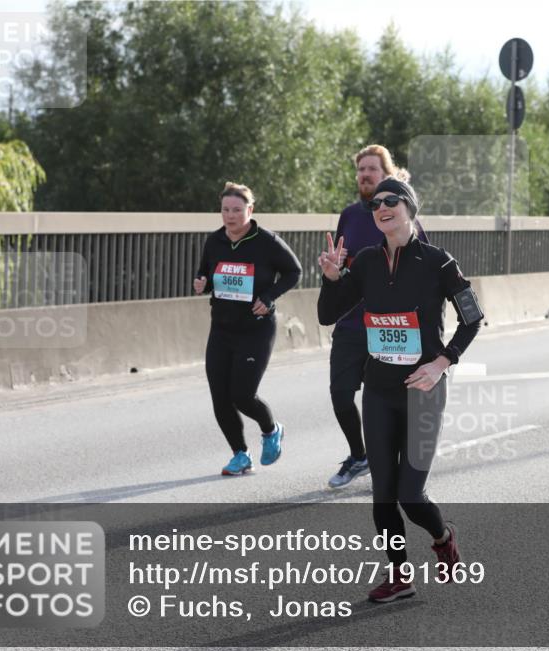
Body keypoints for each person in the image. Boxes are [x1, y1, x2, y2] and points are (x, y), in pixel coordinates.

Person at [317, 177, 482, 602]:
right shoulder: (368, 261)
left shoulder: (438, 262)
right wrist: (333, 278)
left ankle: (443, 537)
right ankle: (400, 576)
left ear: (410, 209)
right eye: (375, 204)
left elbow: (473, 318)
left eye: (392, 201)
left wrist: (442, 362)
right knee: (383, 495)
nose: (382, 207)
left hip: (423, 389)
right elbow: (327, 314)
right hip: (379, 389)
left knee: (411, 495)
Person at [325, 145, 428, 489]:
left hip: (391, 328)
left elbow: (424, 269)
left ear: (387, 175)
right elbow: (341, 262)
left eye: (372, 169)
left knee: (384, 403)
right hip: (352, 324)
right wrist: (333, 273)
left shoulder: (405, 216)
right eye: (360, 170)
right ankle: (360, 456)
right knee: (341, 395)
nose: (364, 175)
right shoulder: (351, 215)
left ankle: (393, 466)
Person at [194, 182, 302, 475]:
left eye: (237, 210)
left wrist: (268, 298)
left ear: (249, 210)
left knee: (242, 394)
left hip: (255, 329)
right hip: (222, 329)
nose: (230, 216)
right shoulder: (215, 240)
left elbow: (294, 272)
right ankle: (240, 455)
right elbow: (206, 272)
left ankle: (271, 429)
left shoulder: (266, 241)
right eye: (226, 210)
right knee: (220, 397)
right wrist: (201, 282)